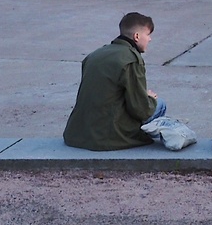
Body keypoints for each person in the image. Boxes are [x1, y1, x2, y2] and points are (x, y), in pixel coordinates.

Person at [63, 12, 166, 151]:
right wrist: (149, 99)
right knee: (160, 104)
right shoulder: (131, 59)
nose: (150, 39)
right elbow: (141, 110)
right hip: (107, 137)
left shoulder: (95, 54)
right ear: (137, 36)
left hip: (77, 134)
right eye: (148, 35)